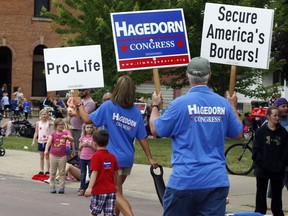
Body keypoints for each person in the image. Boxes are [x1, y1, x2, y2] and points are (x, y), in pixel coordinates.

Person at [149, 57, 243, 216]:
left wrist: (155, 106)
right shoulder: (223, 104)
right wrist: (233, 106)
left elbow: (156, 129)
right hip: (215, 180)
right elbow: (238, 133)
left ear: (187, 75)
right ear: (210, 76)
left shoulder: (179, 104)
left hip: (185, 180)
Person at [74, 76, 158, 216]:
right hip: (127, 158)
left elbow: (88, 119)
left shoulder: (108, 106)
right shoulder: (136, 111)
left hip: (111, 158)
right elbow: (142, 136)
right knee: (117, 190)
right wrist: (150, 157)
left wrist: (79, 105)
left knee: (114, 192)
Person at [252, 106, 288, 215]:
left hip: (278, 169)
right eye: (274, 115)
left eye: (278, 116)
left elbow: (286, 151)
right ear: (268, 117)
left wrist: (281, 164)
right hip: (262, 169)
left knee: (277, 195)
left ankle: (277, 213)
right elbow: (256, 150)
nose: (277, 118)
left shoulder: (283, 133)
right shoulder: (260, 132)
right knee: (261, 193)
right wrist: (262, 163)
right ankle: (259, 212)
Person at [84, 129, 119, 216]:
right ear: (107, 143)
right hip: (111, 190)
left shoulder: (96, 156)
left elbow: (94, 172)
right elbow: (116, 173)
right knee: (109, 213)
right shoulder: (112, 157)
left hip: (99, 190)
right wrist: (117, 185)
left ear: (94, 143)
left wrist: (89, 187)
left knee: (94, 211)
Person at [44, 118, 74, 194]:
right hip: (53, 155)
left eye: (62, 125)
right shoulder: (53, 134)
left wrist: (67, 137)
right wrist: (46, 150)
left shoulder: (65, 133)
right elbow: (49, 142)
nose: (61, 126)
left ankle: (61, 187)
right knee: (53, 171)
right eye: (59, 125)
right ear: (56, 126)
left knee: (62, 172)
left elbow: (72, 140)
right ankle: (52, 186)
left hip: (62, 156)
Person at [267, 97, 288, 198]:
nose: (286, 108)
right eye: (283, 106)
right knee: (274, 193)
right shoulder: (271, 123)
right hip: (277, 164)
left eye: (287, 106)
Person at [32, 109, 54, 175]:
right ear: (40, 115)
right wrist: (33, 141)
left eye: (45, 114)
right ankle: (41, 170)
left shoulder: (49, 122)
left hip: (47, 141)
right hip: (40, 141)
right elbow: (36, 133)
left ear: (47, 115)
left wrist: (51, 118)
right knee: (41, 157)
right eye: (42, 114)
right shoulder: (38, 123)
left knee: (47, 156)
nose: (44, 116)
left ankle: (48, 170)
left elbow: (57, 122)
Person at [78, 123, 96, 196]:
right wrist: (82, 145)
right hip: (83, 157)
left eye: (91, 128)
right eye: (87, 128)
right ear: (84, 129)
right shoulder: (82, 137)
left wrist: (90, 145)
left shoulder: (94, 138)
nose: (89, 129)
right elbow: (79, 148)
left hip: (91, 158)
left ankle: (90, 187)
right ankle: (82, 188)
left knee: (91, 173)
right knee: (83, 173)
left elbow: (96, 148)